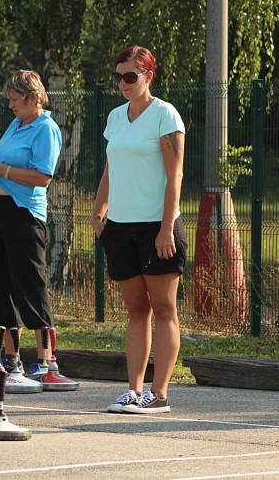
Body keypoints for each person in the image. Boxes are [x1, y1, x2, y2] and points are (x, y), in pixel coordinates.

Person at [91, 45, 187, 413]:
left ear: (149, 75)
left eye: (130, 76)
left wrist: (166, 228)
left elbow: (175, 175)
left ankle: (159, 393)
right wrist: (98, 212)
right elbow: (110, 168)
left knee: (163, 308)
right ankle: (133, 390)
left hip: (157, 227)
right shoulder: (115, 118)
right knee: (135, 310)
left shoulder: (166, 116)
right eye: (118, 76)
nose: (123, 83)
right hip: (119, 228)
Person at [0, 70, 65, 379]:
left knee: (29, 283)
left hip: (24, 213)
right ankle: (10, 358)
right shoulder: (16, 124)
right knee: (0, 283)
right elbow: (3, 164)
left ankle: (45, 359)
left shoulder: (46, 128)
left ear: (32, 98)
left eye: (14, 99)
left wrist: (4, 170)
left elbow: (43, 177)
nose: (10, 105)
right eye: (9, 99)